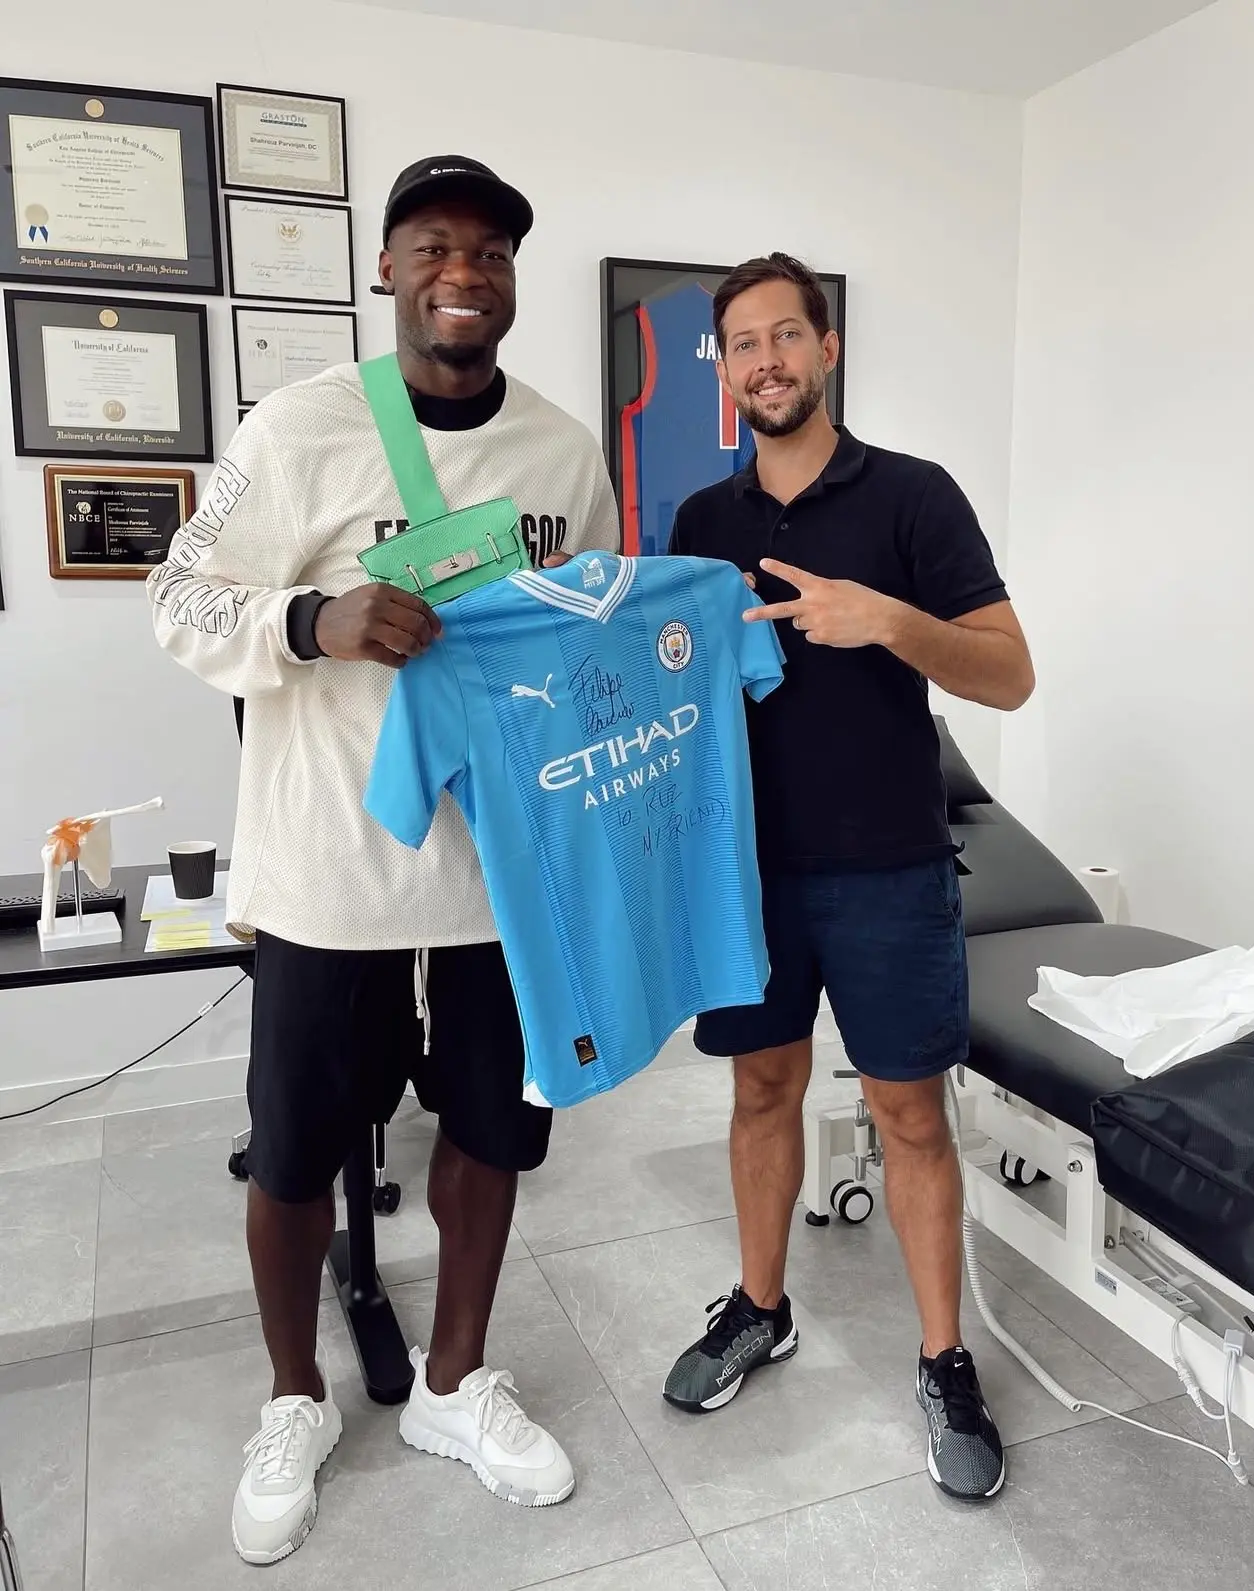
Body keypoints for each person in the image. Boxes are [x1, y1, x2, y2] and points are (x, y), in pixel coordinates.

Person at [147, 155, 620, 1565]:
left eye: (489, 252)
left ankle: (454, 1382)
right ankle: (292, 1396)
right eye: (433, 248)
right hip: (330, 870)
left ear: (512, 278)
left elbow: (591, 634)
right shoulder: (298, 427)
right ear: (387, 270)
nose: (462, 273)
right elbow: (176, 595)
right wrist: (316, 621)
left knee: (492, 1128)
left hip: (497, 872)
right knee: (296, 1149)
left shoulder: (561, 451)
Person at [663, 253, 1034, 1503]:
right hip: (747, 874)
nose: (765, 360)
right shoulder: (702, 523)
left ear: (826, 350)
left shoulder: (915, 497)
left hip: (887, 868)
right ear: (725, 371)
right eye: (742, 344)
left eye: (786, 336)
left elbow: (1008, 672)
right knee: (761, 1092)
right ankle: (760, 1309)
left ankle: (944, 1358)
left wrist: (889, 622)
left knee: (909, 1116)